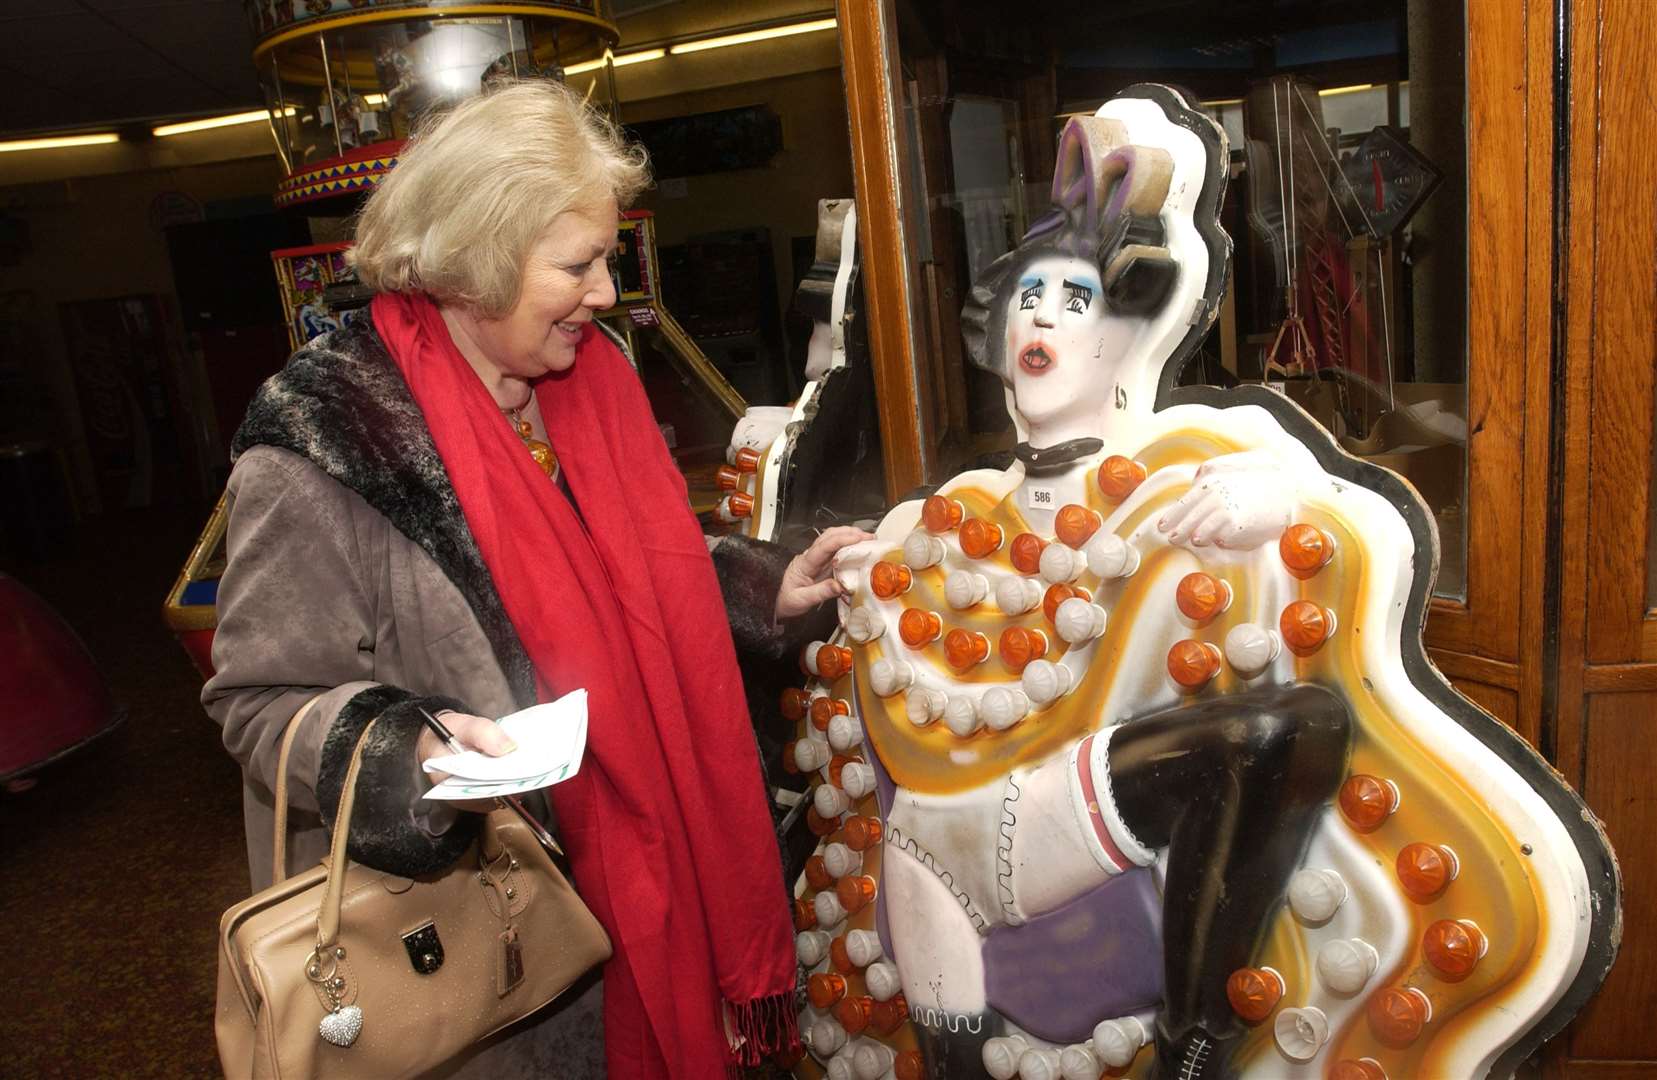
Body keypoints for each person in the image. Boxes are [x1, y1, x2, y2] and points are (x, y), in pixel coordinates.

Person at [203, 81, 867, 1078]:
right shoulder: (327, 437)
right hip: (489, 951)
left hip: (652, 885)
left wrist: (756, 588)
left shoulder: (590, 376)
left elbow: (629, 576)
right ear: (476, 262)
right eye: (579, 264)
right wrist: (406, 748)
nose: (606, 291)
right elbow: (257, 700)